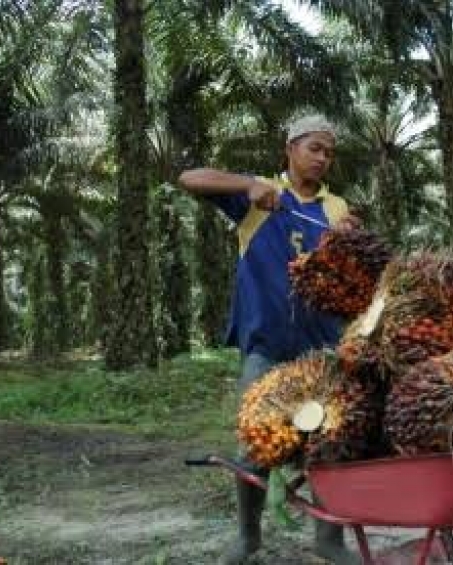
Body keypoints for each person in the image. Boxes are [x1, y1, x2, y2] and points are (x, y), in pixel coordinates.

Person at [178, 115, 358, 565]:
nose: (322, 158)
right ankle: (248, 536)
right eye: (314, 148)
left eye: (329, 152)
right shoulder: (259, 196)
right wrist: (246, 185)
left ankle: (329, 540)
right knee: (254, 444)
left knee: (328, 443)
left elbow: (353, 276)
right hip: (266, 346)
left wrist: (352, 241)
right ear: (291, 149)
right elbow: (189, 178)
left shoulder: (336, 208)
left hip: (320, 349)